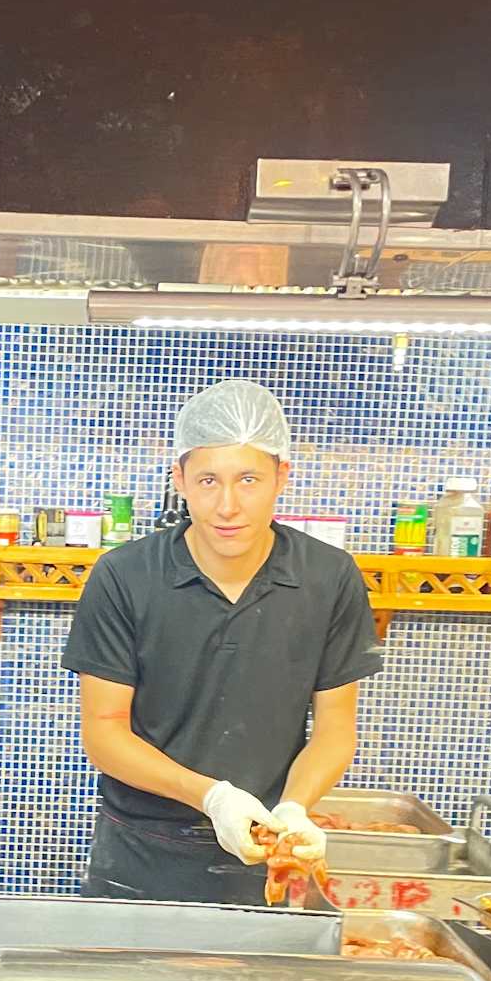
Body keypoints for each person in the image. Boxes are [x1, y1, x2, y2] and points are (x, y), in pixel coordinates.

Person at [62, 379, 383, 903]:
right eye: (208, 480)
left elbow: (334, 730)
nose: (227, 505)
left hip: (265, 851)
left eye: (248, 479)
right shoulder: (124, 576)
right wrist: (212, 798)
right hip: (141, 854)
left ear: (282, 477)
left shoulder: (328, 578)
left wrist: (294, 808)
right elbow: (104, 731)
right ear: (180, 480)